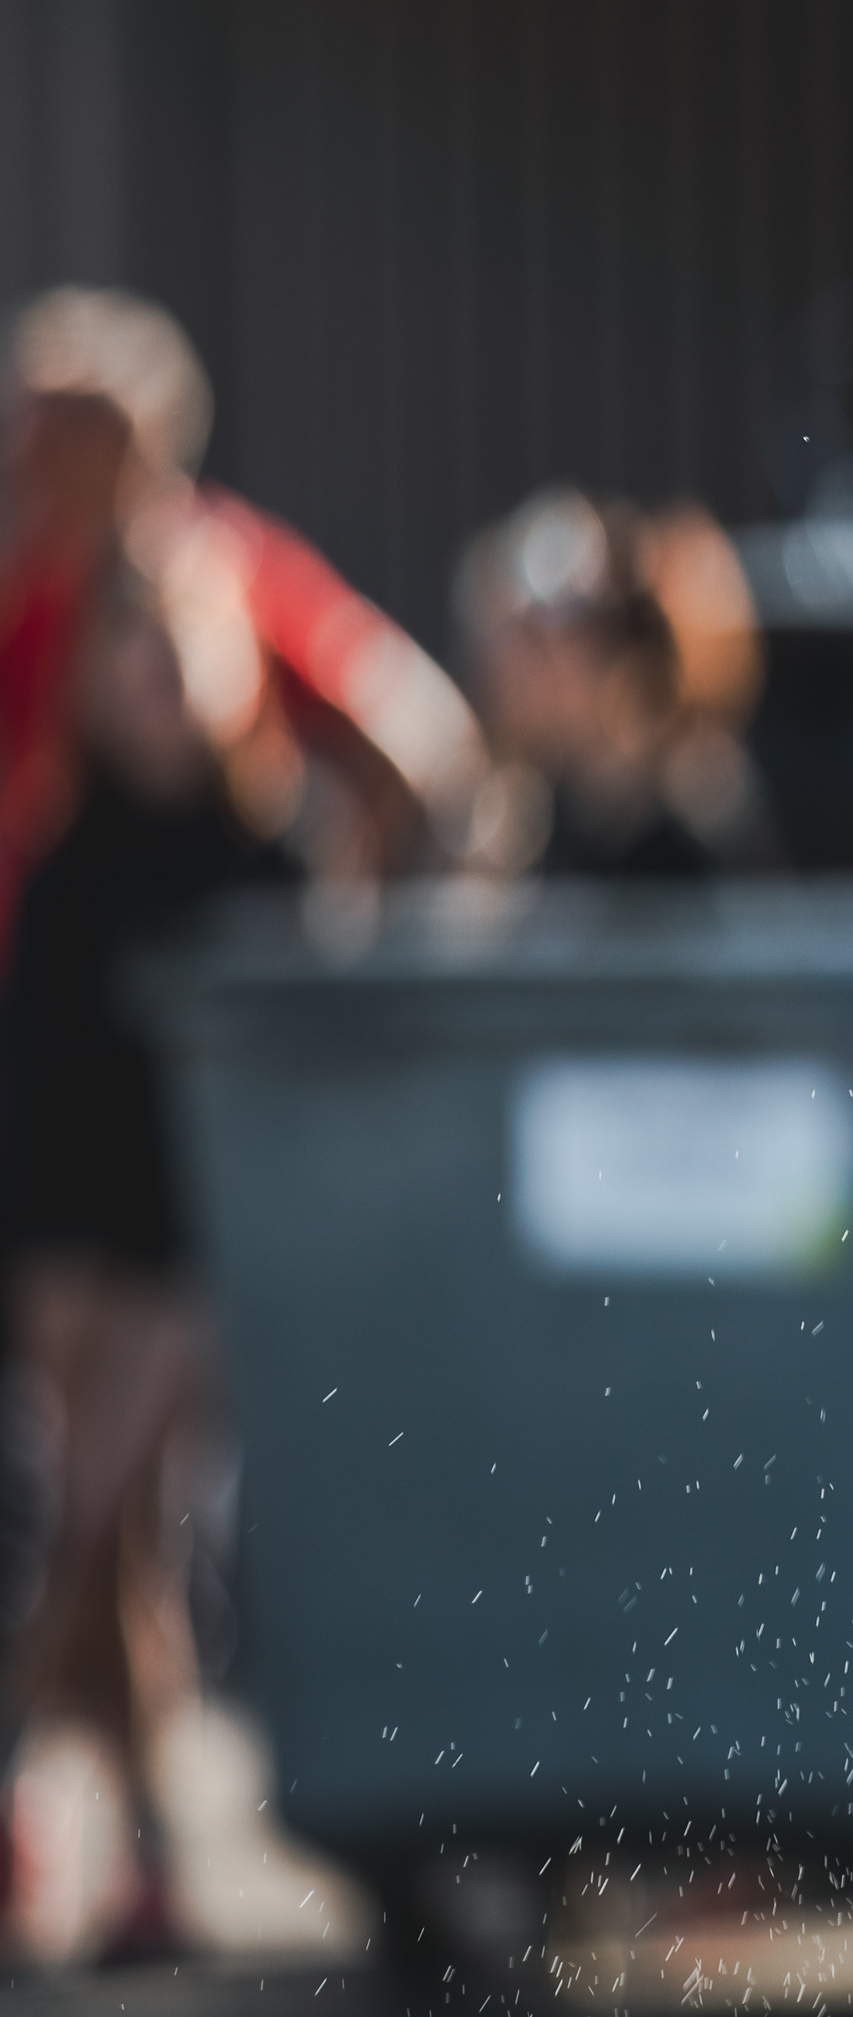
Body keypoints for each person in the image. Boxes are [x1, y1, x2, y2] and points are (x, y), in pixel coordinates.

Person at [0, 288, 458, 1962]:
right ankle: (138, 1860)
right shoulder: (27, 591)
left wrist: (325, 979)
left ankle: (87, 1818)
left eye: (57, 430)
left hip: (179, 1117)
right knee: (107, 1516)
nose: (27, 456)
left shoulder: (223, 580)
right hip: (56, 1085)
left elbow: (413, 753)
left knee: (118, 1502)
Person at [457, 486, 768, 877]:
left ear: (596, 653)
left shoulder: (699, 807)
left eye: (535, 641)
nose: (507, 665)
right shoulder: (540, 814)